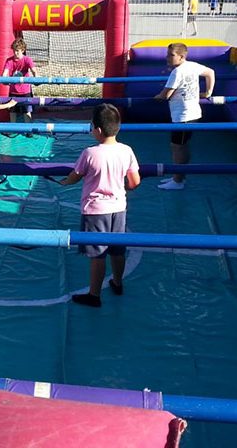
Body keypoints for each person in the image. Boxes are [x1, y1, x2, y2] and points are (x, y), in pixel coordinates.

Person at [59, 104, 140, 308]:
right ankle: (118, 282)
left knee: (97, 255)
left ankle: (94, 295)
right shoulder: (127, 150)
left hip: (95, 211)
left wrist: (65, 182)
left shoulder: (90, 153)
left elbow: (75, 176)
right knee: (117, 250)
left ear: (99, 130)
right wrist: (123, 188)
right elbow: (134, 182)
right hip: (118, 208)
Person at [154, 42, 215, 191]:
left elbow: (166, 95)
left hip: (183, 116)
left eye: (171, 55)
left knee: (178, 147)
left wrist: (157, 97)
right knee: (181, 145)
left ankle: (178, 181)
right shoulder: (192, 66)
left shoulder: (177, 72)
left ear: (181, 56)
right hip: (192, 113)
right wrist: (208, 92)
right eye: (167, 54)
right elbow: (210, 72)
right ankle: (179, 176)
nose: (167, 58)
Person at [2, 37, 37, 130]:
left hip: (25, 91)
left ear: (23, 50)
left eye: (17, 51)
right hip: (13, 91)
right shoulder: (9, 60)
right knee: (12, 111)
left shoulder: (27, 60)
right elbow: (4, 73)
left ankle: (29, 130)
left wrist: (36, 78)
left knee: (26, 111)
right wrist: (4, 79)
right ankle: (12, 128)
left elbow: (34, 70)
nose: (15, 53)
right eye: (14, 51)